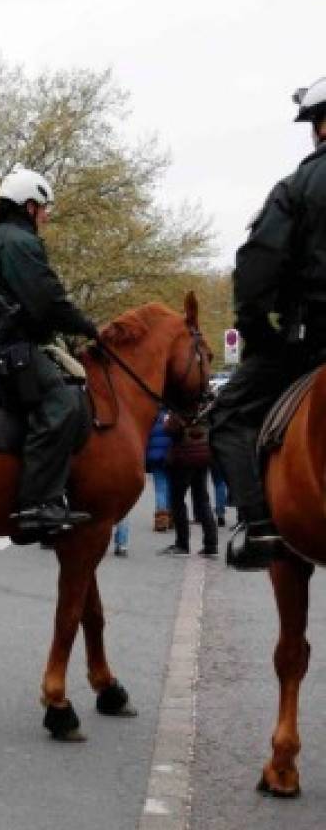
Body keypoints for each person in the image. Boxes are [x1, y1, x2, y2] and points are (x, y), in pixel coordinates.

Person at [210, 76, 326, 571]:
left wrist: (260, 335)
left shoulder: (296, 188)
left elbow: (256, 267)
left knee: (229, 415)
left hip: (313, 340)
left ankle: (259, 528)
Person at [0, 165, 101, 534]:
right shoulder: (20, 242)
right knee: (63, 402)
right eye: (44, 207)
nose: (47, 215)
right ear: (29, 206)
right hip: (6, 345)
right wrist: (86, 327)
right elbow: (46, 300)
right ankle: (38, 503)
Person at [160, 408, 218, 557]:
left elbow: (169, 429)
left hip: (183, 458)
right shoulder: (207, 406)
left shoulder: (182, 407)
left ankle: (182, 544)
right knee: (202, 500)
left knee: (177, 501)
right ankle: (211, 545)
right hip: (203, 456)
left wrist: (167, 420)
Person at [145, 409, 173, 531]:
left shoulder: (152, 417)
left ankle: (161, 520)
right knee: (171, 487)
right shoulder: (173, 417)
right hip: (171, 457)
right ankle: (171, 517)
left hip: (155, 457)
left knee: (160, 488)